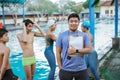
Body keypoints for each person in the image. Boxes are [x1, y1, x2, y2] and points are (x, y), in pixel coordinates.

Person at [56, 13, 92, 80]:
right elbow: (58, 52)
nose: (73, 23)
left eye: (75, 21)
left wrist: (76, 50)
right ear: (68, 22)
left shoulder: (84, 35)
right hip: (66, 69)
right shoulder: (61, 36)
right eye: (71, 21)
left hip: (81, 69)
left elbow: (89, 50)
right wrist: (60, 67)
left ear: (78, 23)